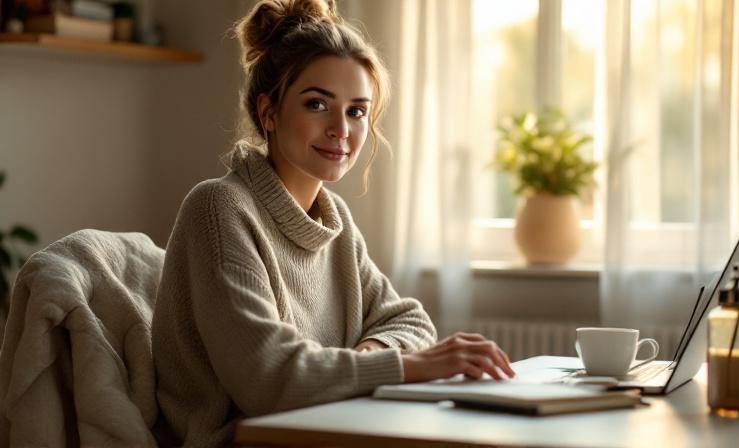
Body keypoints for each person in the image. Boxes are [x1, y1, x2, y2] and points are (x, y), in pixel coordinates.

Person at [151, 0, 515, 446]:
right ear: (269, 113)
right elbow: (269, 380)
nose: (341, 129)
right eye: (318, 104)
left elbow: (410, 321)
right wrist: (410, 365)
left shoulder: (333, 218)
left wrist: (369, 354)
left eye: (357, 111)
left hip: (329, 430)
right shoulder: (219, 207)